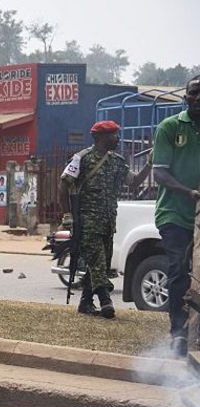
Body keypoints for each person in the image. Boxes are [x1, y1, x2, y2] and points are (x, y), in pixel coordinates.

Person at [61, 120, 150, 319]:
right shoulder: (82, 159)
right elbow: (64, 185)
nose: (117, 139)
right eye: (113, 135)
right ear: (100, 138)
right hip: (87, 222)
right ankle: (105, 301)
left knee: (99, 265)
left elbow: (134, 183)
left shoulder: (117, 162)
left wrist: (149, 165)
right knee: (98, 263)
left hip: (108, 223)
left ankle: (85, 303)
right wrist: (67, 216)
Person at [153, 75, 200, 357]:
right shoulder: (170, 127)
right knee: (179, 271)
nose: (199, 98)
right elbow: (159, 172)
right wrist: (189, 193)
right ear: (185, 96)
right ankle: (178, 335)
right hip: (175, 214)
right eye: (195, 93)